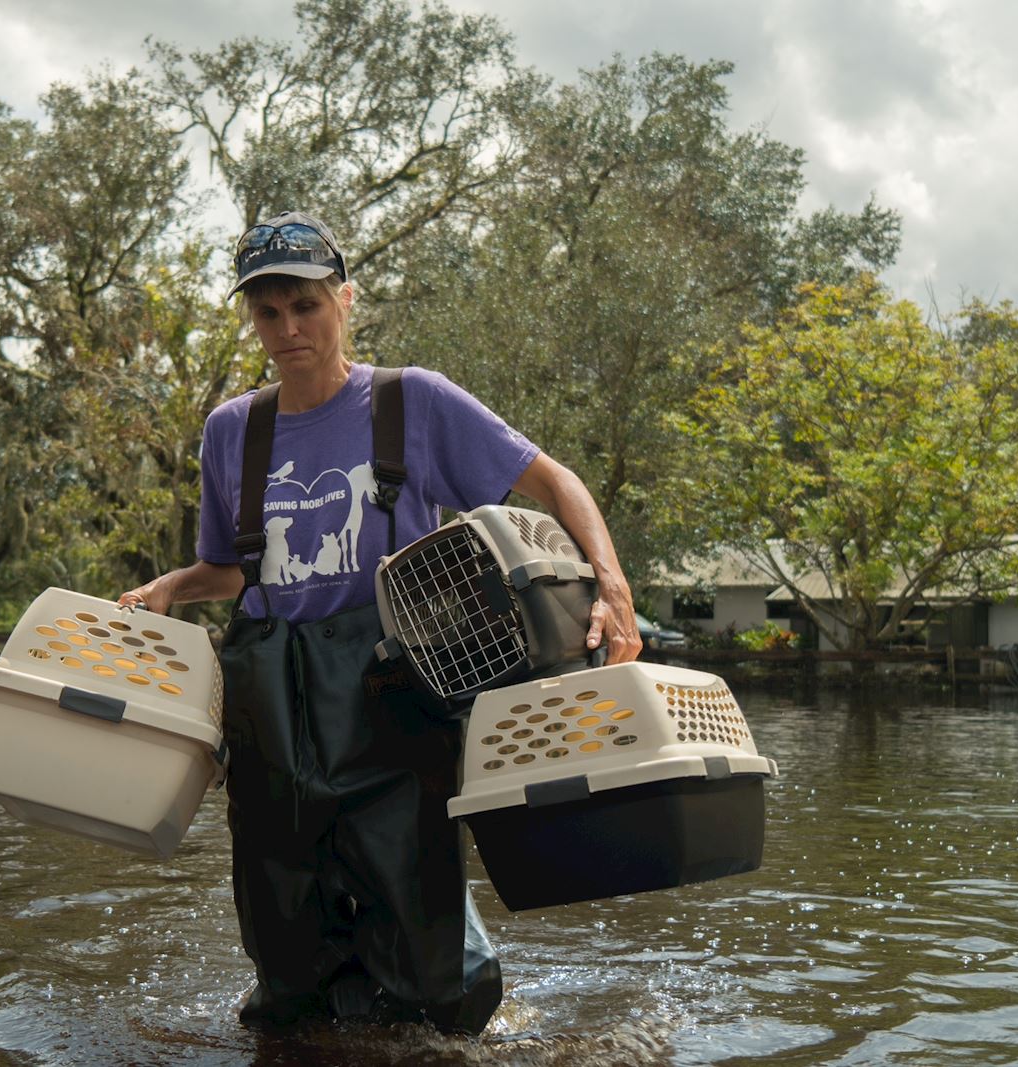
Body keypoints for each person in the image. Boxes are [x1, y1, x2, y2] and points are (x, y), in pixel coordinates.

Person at [119, 210, 638, 1034]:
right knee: (288, 980)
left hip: (391, 713)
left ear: (345, 299)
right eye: (268, 312)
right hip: (269, 727)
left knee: (435, 983)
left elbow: (556, 483)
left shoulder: (412, 403)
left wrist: (609, 584)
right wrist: (171, 589)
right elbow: (238, 567)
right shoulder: (231, 431)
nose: (288, 329)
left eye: (306, 307)